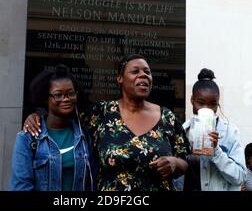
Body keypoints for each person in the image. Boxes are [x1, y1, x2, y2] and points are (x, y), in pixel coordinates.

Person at [24, 54, 189, 191]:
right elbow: (63, 114)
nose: (143, 75)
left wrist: (176, 164)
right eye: (135, 71)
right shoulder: (101, 114)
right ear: (120, 79)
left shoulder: (167, 117)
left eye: (147, 72)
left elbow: (185, 160)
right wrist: (38, 114)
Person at [8, 64, 95, 191]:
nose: (66, 99)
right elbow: (20, 186)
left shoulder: (85, 136)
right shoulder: (28, 138)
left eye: (70, 94)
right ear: (45, 98)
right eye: (58, 95)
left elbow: (91, 183)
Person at [179, 68, 246, 191]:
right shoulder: (182, 131)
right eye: (201, 102)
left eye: (212, 104)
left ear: (218, 104)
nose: (207, 108)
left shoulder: (230, 132)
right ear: (192, 100)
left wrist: (216, 150)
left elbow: (240, 177)